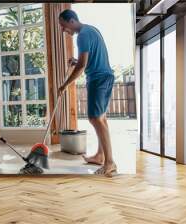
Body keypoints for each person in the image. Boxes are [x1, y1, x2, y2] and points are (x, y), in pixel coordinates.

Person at [57, 9, 116, 177]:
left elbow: (82, 66)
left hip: (98, 79)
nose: (63, 30)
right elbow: (88, 60)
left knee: (95, 118)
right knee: (101, 118)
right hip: (104, 76)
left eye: (63, 26)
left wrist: (65, 85)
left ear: (71, 21)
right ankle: (100, 156)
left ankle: (110, 163)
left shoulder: (82, 35)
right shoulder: (91, 29)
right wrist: (76, 61)